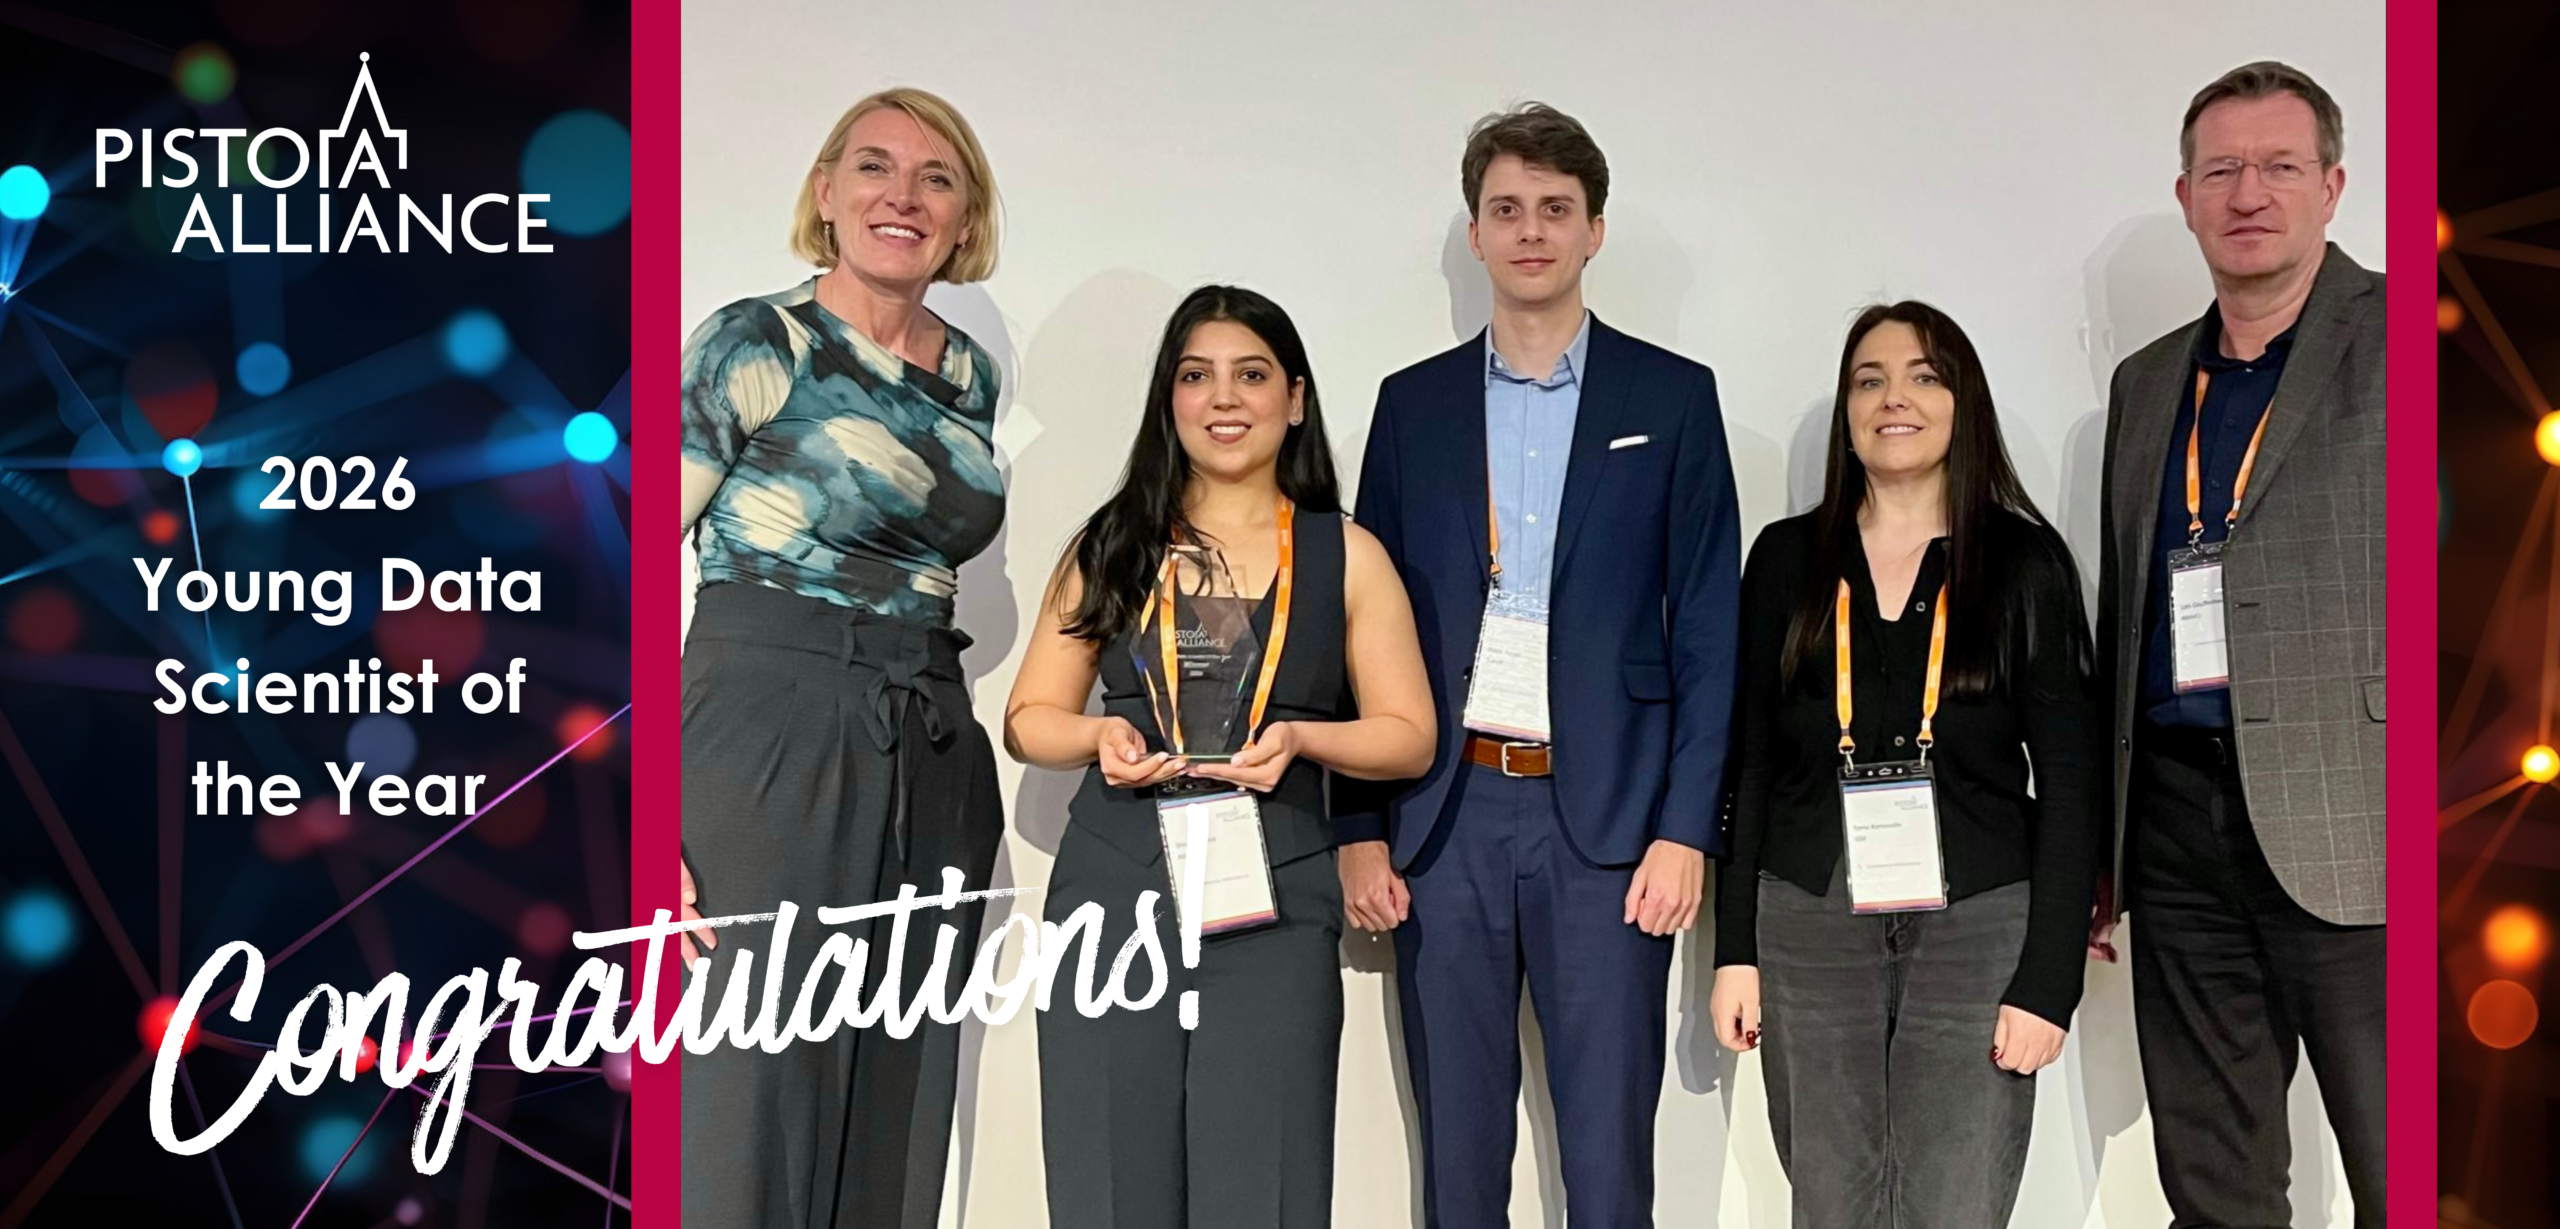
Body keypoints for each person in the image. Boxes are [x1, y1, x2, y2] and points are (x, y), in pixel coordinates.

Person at [1337, 102, 1739, 1226]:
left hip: (1609, 824)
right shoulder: (1410, 406)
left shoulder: (1671, 398)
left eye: (1555, 209)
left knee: (1607, 1163)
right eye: (1506, 209)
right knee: (1458, 1162)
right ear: (1475, 232)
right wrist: (1358, 825)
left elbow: (1710, 631)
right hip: (1444, 813)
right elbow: (1360, 627)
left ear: (1594, 230)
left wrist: (1686, 828)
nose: (1530, 231)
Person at [1004, 285, 1435, 1229]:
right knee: (1106, 1171)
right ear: (1170, 399)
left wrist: (1304, 738)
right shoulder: (1115, 542)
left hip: (1274, 886)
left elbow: (1408, 731)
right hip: (1115, 881)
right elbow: (1029, 717)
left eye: (1251, 374)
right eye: (1197, 375)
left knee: (1264, 1177)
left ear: (1296, 398)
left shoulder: (1345, 554)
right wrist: (1097, 737)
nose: (1224, 398)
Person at [675, 86, 1007, 1228]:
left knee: (896, 1103)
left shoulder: (970, 375)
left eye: (935, 178)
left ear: (964, 218)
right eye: (873, 167)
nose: (901, 197)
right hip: (765, 723)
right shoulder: (755, 340)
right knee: (751, 1091)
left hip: (929, 733)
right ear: (825, 193)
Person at [1707, 302, 2105, 1226]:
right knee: (1830, 1200)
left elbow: (2073, 783)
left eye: (1925, 376)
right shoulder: (1785, 559)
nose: (1896, 398)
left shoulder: (2024, 562)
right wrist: (1735, 950)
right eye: (1870, 379)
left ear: (1964, 404)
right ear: (1847, 410)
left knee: (1955, 1201)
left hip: (1981, 924)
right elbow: (1750, 764)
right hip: (1808, 921)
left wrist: (2049, 982)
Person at [2092, 60, 2385, 1227]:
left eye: (2277, 166)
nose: (2247, 193)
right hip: (2174, 834)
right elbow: (2128, 611)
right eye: (2221, 170)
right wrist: (2109, 835)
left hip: (2364, 826)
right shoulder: (2144, 383)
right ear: (2185, 196)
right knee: (2214, 1188)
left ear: (2332, 185)